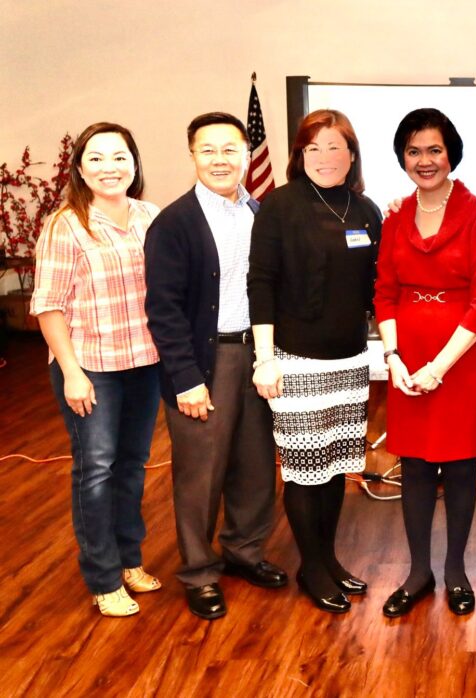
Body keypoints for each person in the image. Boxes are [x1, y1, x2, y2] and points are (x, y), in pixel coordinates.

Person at [145, 112, 286, 621]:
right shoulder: (174, 223)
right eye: (208, 150)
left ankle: (244, 553)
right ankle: (199, 572)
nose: (220, 159)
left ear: (247, 154)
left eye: (230, 149)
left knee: (255, 465)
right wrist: (186, 379)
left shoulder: (261, 213)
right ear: (192, 155)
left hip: (259, 354)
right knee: (200, 475)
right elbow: (163, 309)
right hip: (206, 360)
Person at [248, 109, 382, 614]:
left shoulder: (365, 209)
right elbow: (261, 283)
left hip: (350, 360)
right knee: (305, 470)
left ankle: (328, 559)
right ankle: (311, 567)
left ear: (352, 154)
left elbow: (377, 285)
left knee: (336, 468)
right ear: (299, 156)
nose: (325, 158)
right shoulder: (280, 206)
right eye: (313, 148)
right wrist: (264, 359)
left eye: (335, 147)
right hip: (295, 360)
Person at [374, 108, 476, 618]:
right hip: (406, 356)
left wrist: (439, 367)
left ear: (451, 154)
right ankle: (418, 573)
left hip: (462, 358)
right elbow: (384, 293)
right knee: (415, 465)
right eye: (413, 151)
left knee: (461, 465)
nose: (424, 160)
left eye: (434, 150)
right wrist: (394, 357)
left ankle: (455, 572)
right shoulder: (395, 216)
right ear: (402, 157)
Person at [31, 122, 162, 617]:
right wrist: (71, 372)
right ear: (81, 169)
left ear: (134, 162)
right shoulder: (65, 225)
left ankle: (129, 559)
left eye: (120, 156)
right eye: (97, 158)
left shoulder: (150, 216)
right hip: (90, 367)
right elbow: (48, 306)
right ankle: (103, 577)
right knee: (96, 471)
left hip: (144, 362)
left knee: (132, 465)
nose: (110, 167)